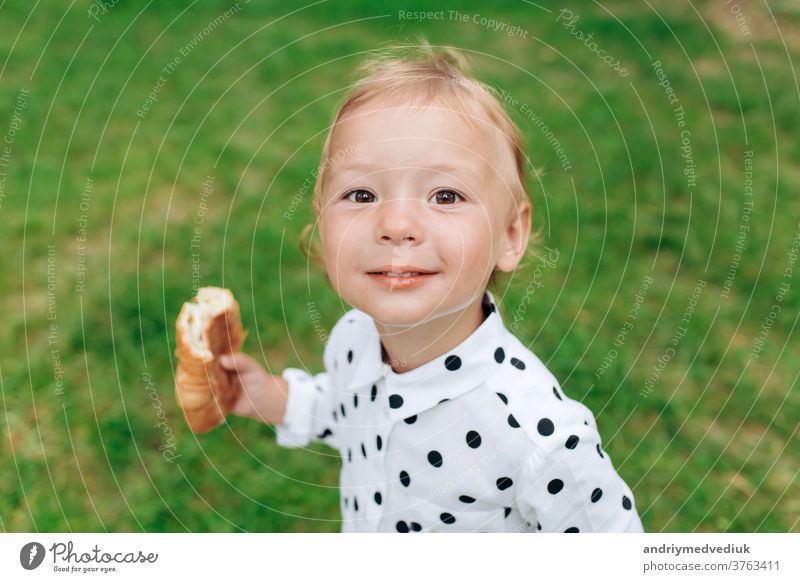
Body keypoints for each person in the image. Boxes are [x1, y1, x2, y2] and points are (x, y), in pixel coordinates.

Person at [217, 40, 644, 533]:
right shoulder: (355, 338)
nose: (396, 223)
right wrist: (271, 398)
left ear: (510, 235)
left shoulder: (537, 437)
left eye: (446, 195)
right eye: (361, 193)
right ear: (322, 221)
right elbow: (353, 413)